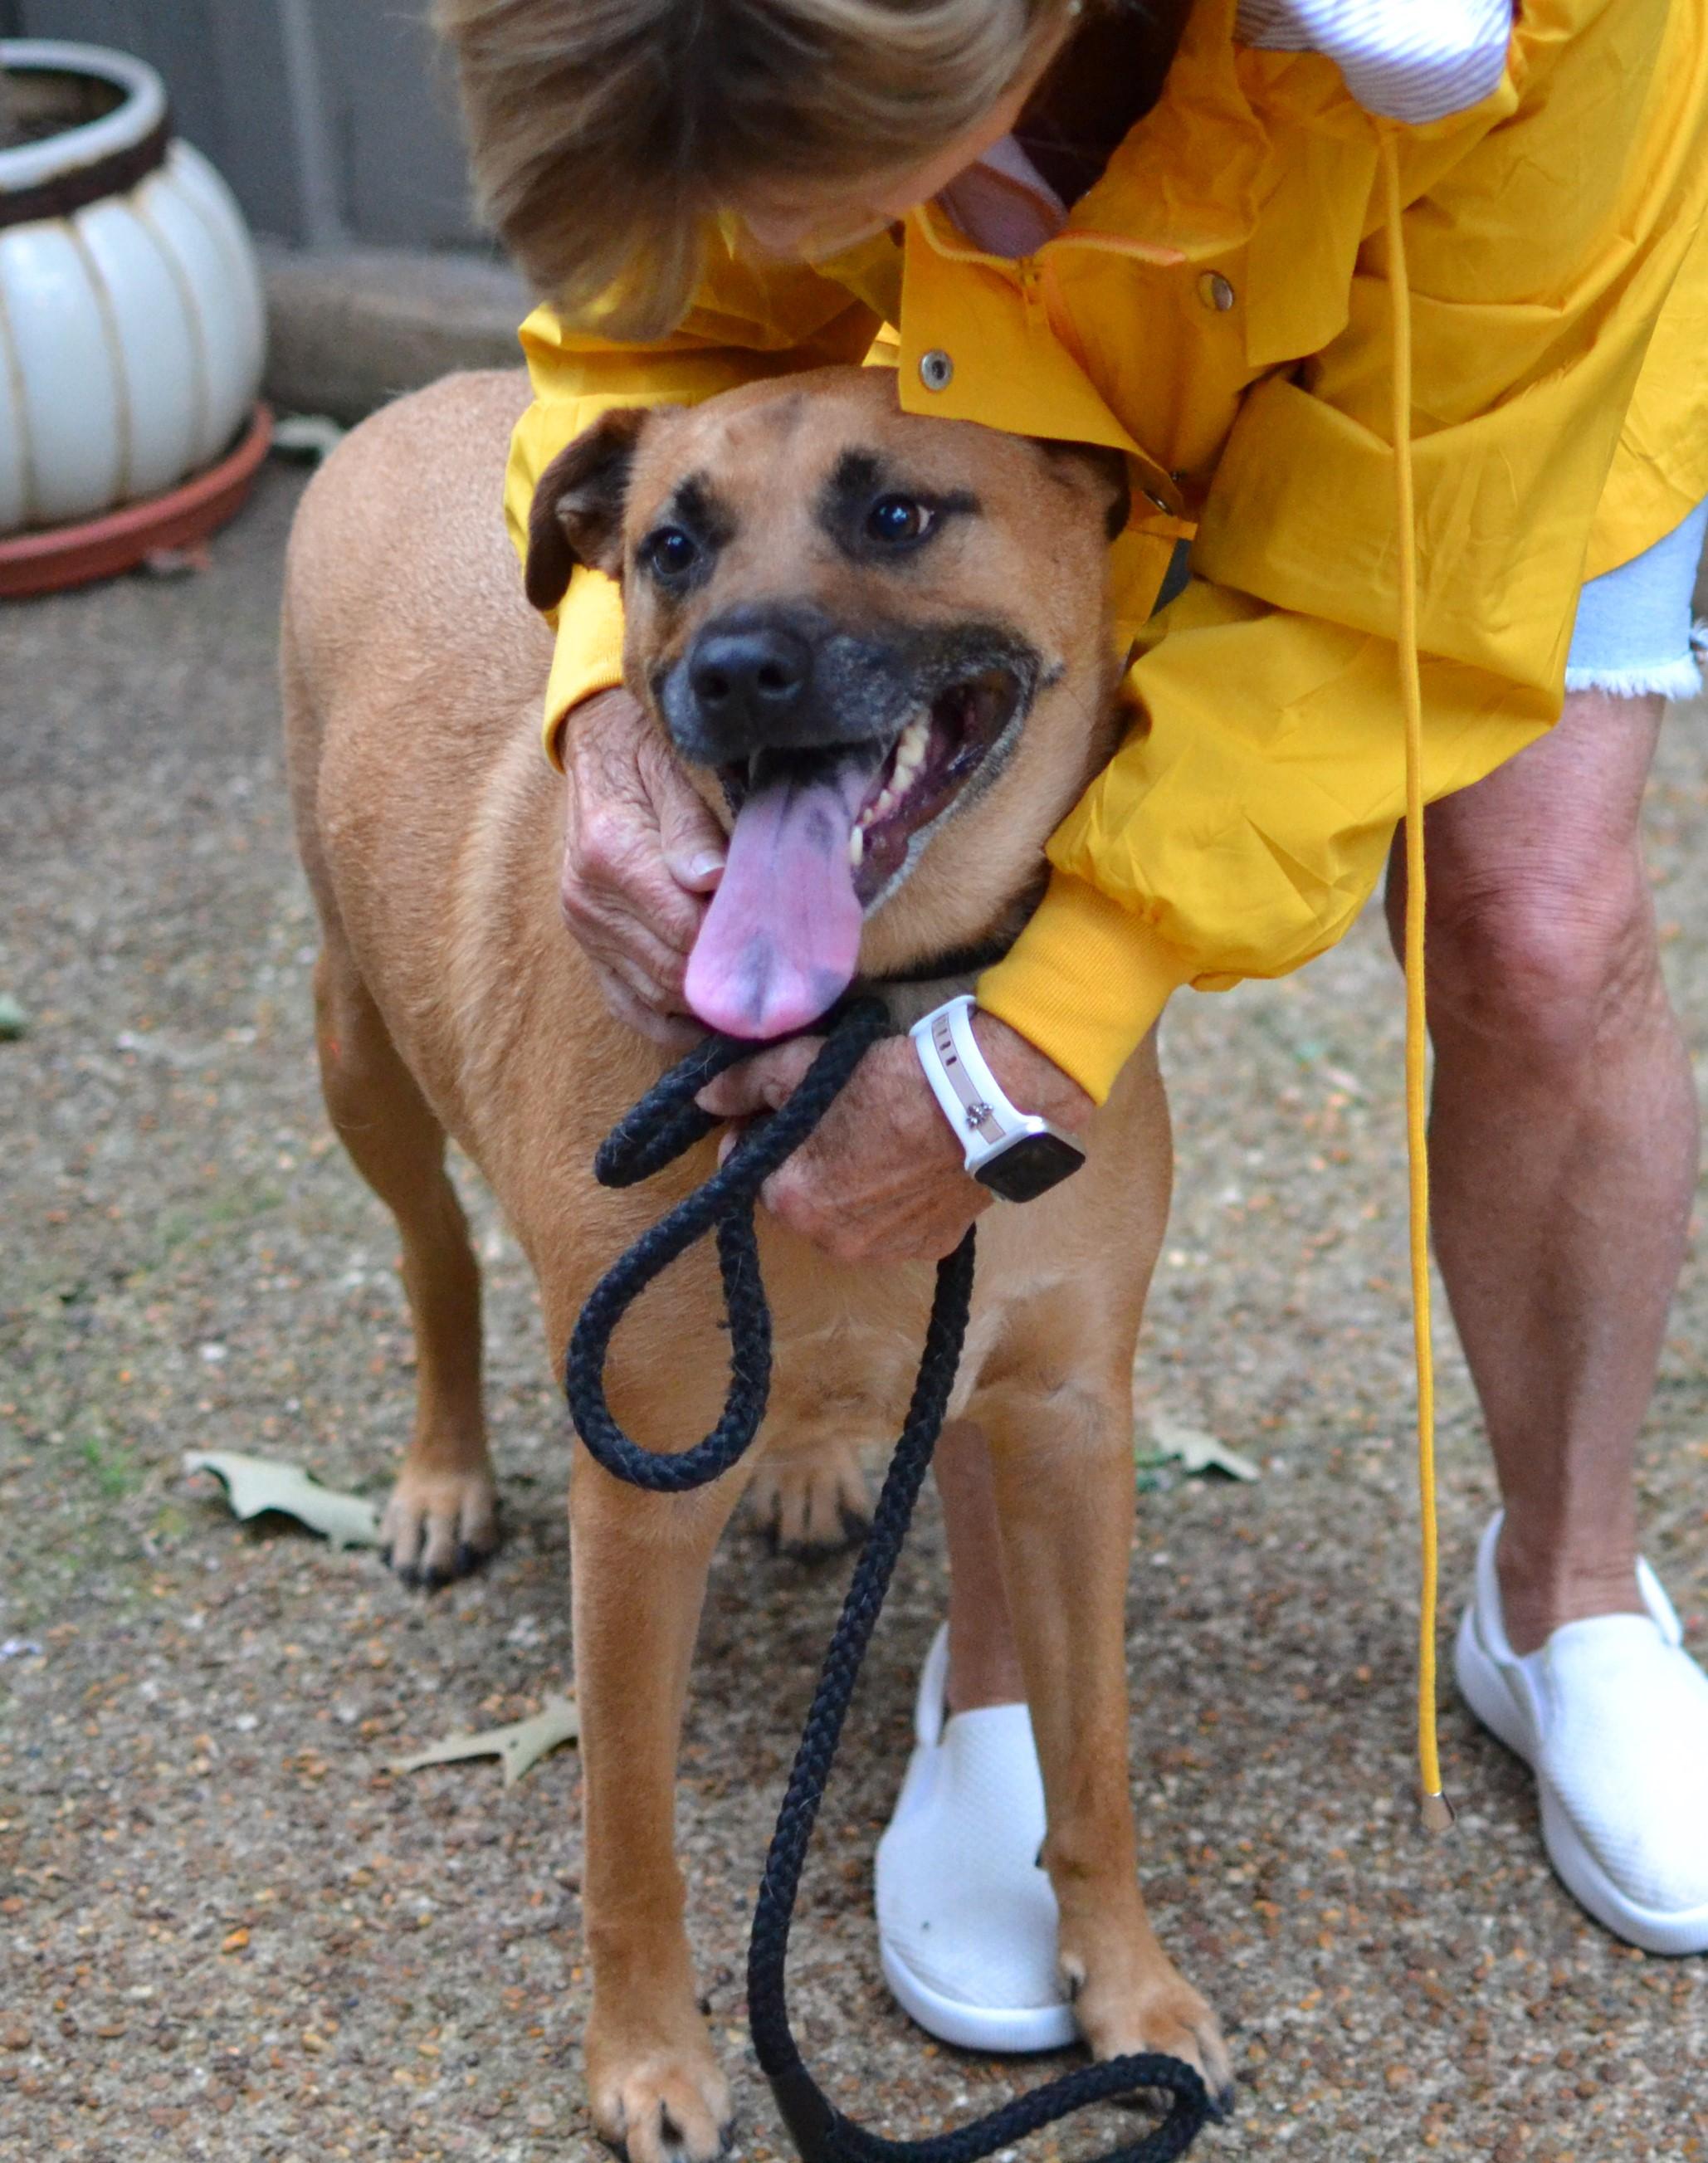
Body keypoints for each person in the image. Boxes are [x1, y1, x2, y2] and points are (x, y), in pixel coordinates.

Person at [440, 0, 1708, 2049]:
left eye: (829, 171)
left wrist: (1034, 1040)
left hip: (1469, 346)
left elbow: (1371, 603)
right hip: (971, 414)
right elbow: (657, 352)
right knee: (934, 878)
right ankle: (1006, 1660)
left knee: (1535, 923)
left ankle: (1565, 1595)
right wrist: (604, 700)